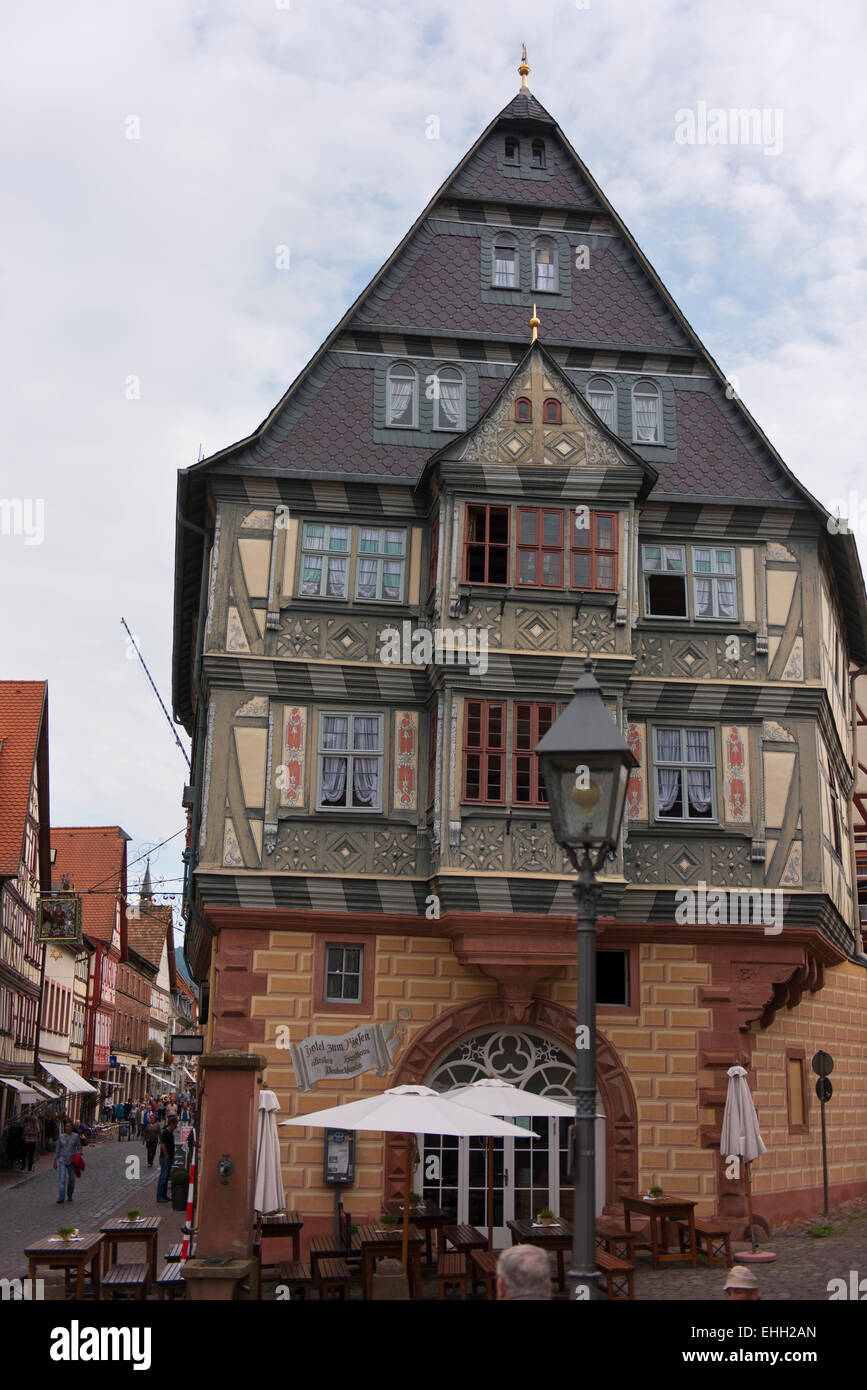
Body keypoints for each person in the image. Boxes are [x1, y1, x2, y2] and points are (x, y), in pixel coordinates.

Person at [53, 1120, 82, 1204]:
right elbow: (58, 1149)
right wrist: (55, 1160)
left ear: (72, 1128)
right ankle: (61, 1197)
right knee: (62, 1179)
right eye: (66, 1126)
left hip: (71, 1160)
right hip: (62, 1159)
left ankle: (69, 1195)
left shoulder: (75, 1136)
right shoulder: (61, 1137)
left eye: (69, 1126)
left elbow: (79, 1148)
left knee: (71, 1179)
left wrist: (78, 1155)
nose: (67, 1128)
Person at [156, 1116, 179, 1202]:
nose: (176, 1126)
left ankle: (164, 1195)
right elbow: (162, 1145)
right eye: (176, 1124)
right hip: (165, 1158)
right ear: (172, 1124)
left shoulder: (170, 1132)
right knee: (163, 1177)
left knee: (166, 1178)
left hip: (169, 1157)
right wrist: (167, 1156)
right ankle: (159, 1196)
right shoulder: (165, 1133)